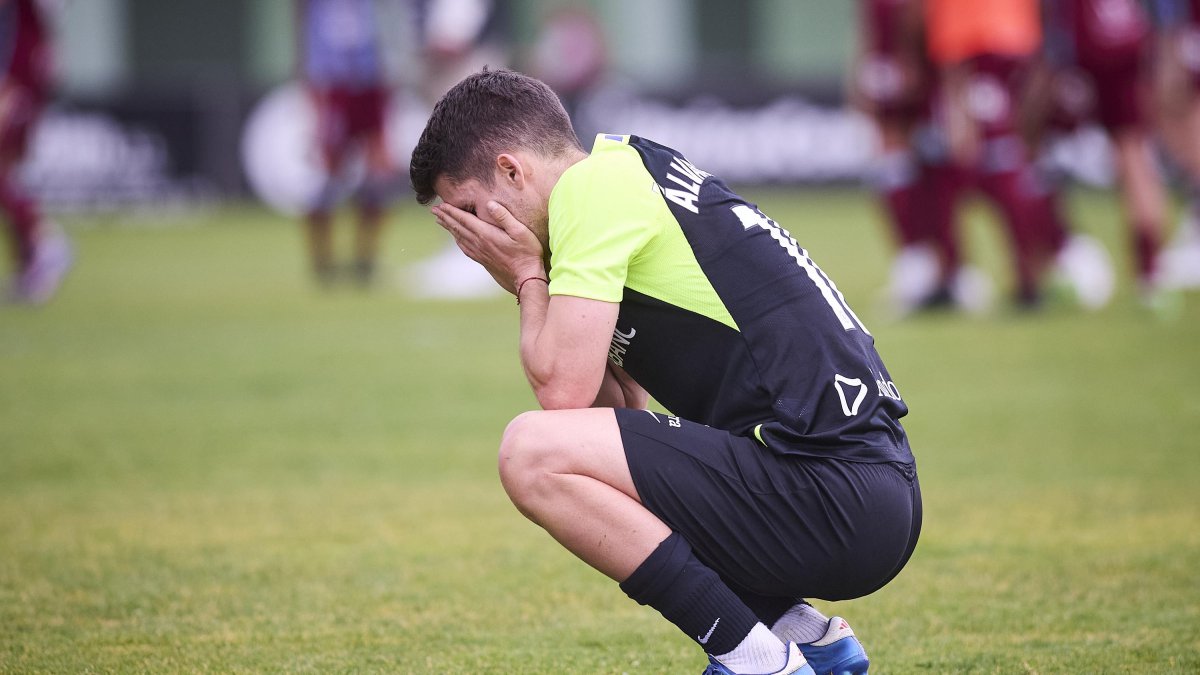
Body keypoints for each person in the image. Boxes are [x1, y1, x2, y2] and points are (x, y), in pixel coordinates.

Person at [410, 68, 921, 675]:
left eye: (471, 211)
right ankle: (804, 638)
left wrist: (524, 278)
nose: (473, 240)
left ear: (511, 171)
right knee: (582, 457)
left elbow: (561, 394)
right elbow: (615, 417)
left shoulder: (589, 194)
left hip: (834, 491)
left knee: (528, 452)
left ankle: (754, 661)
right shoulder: (628, 169)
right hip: (862, 489)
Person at [1033, 0, 1172, 304]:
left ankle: (1064, 254)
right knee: (1134, 156)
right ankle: (1150, 273)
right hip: (1124, 39)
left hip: (1088, 47)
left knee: (1034, 150)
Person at [297, 0, 393, 286]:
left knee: (378, 174)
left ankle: (365, 259)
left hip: (371, 81)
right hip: (335, 83)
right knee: (329, 174)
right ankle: (323, 263)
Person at [0, 0, 69, 304]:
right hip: (27, 73)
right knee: (8, 170)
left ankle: (44, 240)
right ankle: (32, 264)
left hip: (21, 76)